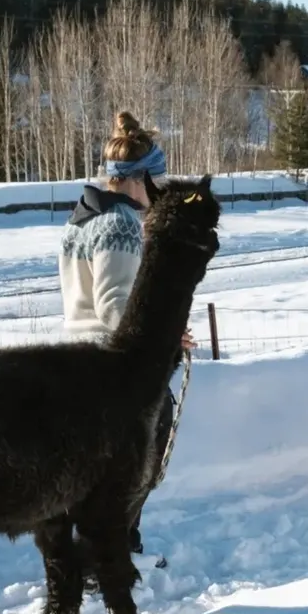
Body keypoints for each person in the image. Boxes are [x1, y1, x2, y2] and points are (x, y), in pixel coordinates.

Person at [59, 111, 181, 556]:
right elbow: (115, 308)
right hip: (114, 369)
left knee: (93, 476)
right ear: (138, 179)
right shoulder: (123, 224)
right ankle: (115, 555)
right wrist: (163, 336)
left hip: (76, 360)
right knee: (134, 469)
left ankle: (98, 552)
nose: (162, 188)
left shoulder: (82, 219)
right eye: (159, 178)